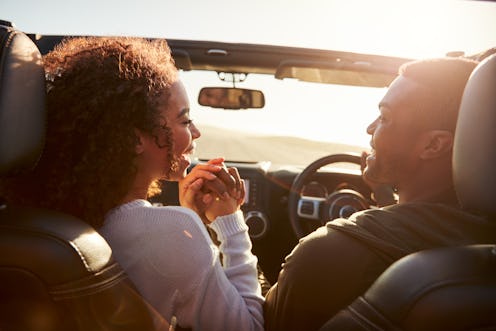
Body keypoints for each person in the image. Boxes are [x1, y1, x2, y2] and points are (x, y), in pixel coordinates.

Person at [0, 37, 263, 330]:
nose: (196, 132)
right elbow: (249, 326)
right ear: (134, 138)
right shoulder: (172, 231)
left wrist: (194, 224)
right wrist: (230, 226)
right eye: (184, 120)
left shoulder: (35, 223)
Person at [263, 56, 496, 331]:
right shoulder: (482, 247)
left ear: (434, 145)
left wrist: (230, 233)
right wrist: (388, 201)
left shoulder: (328, 254)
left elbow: (257, 322)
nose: (370, 128)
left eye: (385, 117)